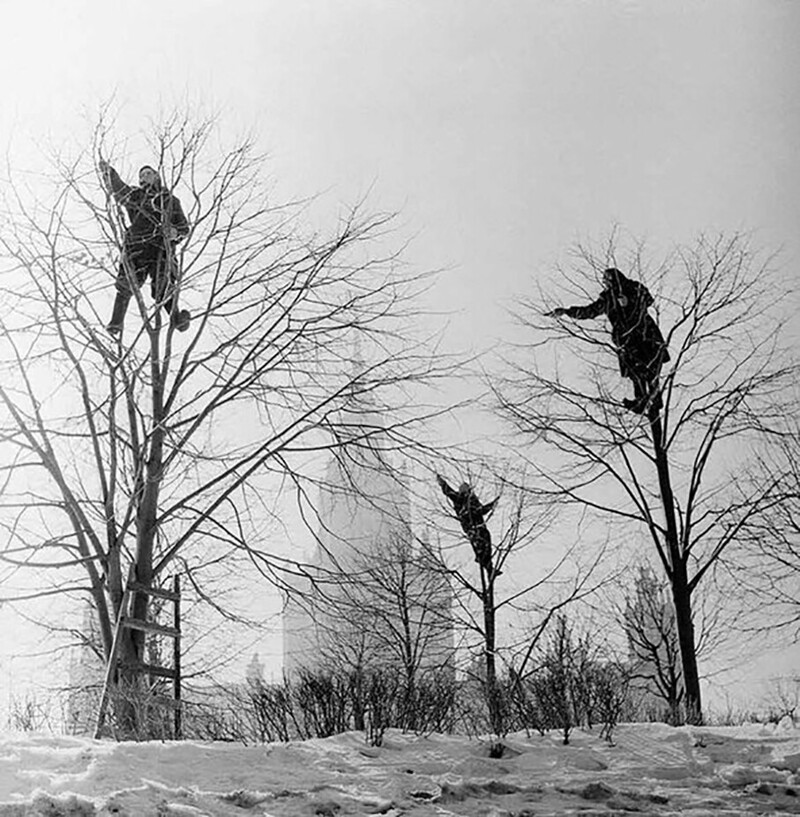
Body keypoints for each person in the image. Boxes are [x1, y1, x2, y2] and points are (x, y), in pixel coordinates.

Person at [547, 267, 670, 414]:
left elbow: (648, 300)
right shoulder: (607, 298)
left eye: (607, 278)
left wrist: (629, 302)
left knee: (650, 367)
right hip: (626, 339)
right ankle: (642, 400)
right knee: (635, 371)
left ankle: (653, 399)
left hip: (645, 333)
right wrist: (567, 312)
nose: (604, 282)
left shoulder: (634, 287)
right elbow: (590, 311)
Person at [99, 160, 191, 336]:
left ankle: (177, 319)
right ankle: (116, 323)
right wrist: (108, 173)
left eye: (148, 173)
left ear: (157, 176)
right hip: (137, 246)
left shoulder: (170, 200)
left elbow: (184, 228)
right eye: (141, 175)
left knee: (162, 287)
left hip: (161, 249)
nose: (143, 177)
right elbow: (119, 189)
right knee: (127, 282)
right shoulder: (135, 195)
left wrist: (174, 232)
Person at [436, 474, 499, 575]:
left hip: (480, 525)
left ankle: (488, 566)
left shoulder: (473, 500)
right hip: (470, 525)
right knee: (478, 541)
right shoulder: (459, 499)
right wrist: (442, 483)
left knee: (486, 541)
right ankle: (483, 560)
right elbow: (449, 491)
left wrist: (492, 505)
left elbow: (481, 510)